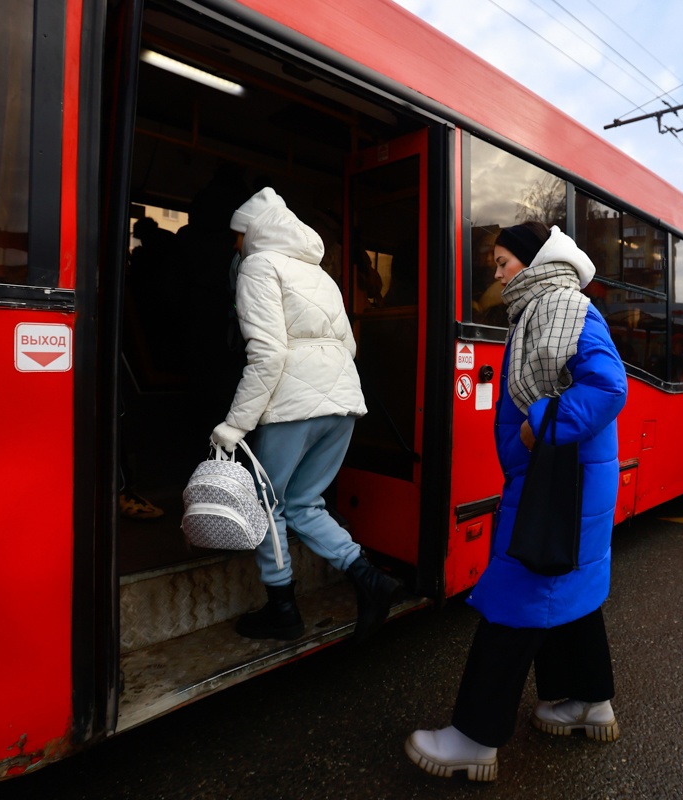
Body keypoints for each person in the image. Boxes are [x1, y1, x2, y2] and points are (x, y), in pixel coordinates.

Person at [406, 221, 627, 782]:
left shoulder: (560, 309)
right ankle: (585, 702)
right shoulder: (549, 308)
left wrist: (539, 424)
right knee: (564, 587)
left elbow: (608, 386)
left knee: (517, 599)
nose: (498, 274)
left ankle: (474, 739)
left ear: (535, 262)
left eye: (504, 262)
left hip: (558, 482)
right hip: (565, 480)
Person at [210, 187, 400, 642]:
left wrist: (234, 424)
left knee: (266, 502)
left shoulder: (258, 267)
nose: (234, 246)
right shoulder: (320, 274)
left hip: (293, 406)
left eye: (236, 236)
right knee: (302, 502)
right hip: (342, 404)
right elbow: (348, 347)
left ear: (251, 232)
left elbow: (268, 355)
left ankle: (283, 609)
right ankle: (369, 579)